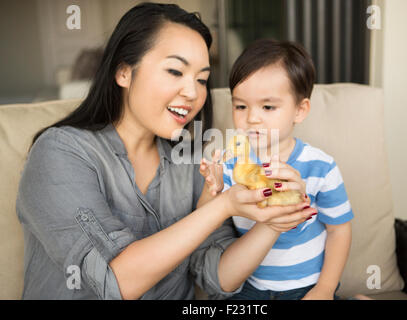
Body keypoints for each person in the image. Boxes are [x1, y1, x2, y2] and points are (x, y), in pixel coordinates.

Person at [16, 3, 314, 300]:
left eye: (201, 79)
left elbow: (217, 278)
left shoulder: (191, 161)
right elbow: (113, 282)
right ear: (123, 71)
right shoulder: (60, 153)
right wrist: (222, 207)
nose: (193, 92)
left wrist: (275, 219)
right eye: (175, 71)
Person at [199, 39, 354, 300]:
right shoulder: (229, 161)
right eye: (241, 106)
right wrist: (211, 188)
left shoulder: (320, 166)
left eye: (268, 107)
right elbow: (205, 220)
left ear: (299, 110)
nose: (252, 118)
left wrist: (325, 288)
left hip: (308, 286)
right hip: (250, 287)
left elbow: (339, 230)